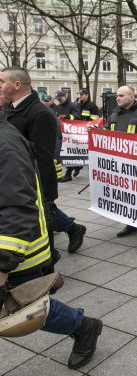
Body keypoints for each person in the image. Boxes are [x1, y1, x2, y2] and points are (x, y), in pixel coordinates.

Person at [0, 115, 102, 369]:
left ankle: (83, 326)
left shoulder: (6, 143)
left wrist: (2, 265)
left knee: (26, 306)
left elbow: (18, 207)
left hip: (14, 250)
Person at [0, 67, 87, 261]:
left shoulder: (39, 113)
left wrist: (34, 188)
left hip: (32, 183)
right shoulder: (13, 109)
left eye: (1, 81)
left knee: (43, 216)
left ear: (17, 85)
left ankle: (52, 257)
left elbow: (43, 157)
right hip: (20, 181)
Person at [105, 85, 137, 237]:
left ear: (132, 97)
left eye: (122, 95)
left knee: (136, 192)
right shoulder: (114, 115)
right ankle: (131, 224)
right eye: (117, 95)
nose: (117, 98)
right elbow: (106, 132)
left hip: (135, 163)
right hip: (117, 162)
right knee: (125, 194)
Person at [55, 90, 83, 181]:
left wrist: (66, 116)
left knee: (69, 153)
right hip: (61, 133)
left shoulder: (72, 106)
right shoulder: (58, 106)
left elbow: (78, 117)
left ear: (65, 96)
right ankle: (77, 166)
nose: (59, 100)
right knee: (64, 153)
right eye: (58, 99)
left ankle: (68, 174)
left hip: (71, 134)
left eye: (60, 98)